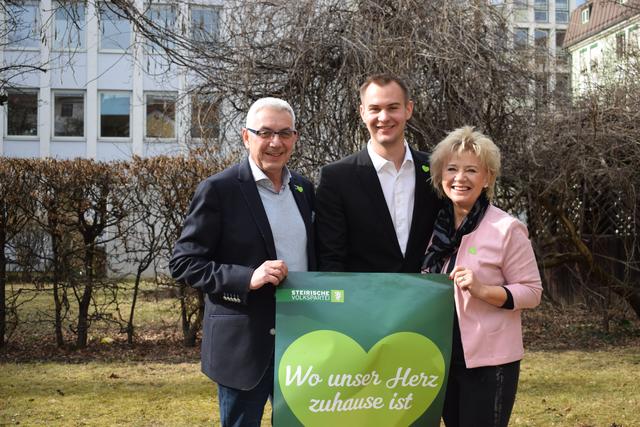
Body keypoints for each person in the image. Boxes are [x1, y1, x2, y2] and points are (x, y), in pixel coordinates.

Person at [169, 98, 315, 427]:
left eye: (284, 133)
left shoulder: (305, 189)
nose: (275, 142)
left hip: (302, 340)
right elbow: (184, 262)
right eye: (265, 132)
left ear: (295, 137)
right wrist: (248, 277)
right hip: (245, 345)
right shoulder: (218, 190)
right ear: (246, 136)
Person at [422, 126, 542, 427]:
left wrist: (483, 289)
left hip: (490, 362)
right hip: (442, 355)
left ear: (487, 177)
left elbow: (532, 291)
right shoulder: (433, 228)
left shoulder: (506, 228)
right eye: (451, 169)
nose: (460, 178)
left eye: (471, 170)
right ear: (440, 176)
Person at [316, 74, 441, 272]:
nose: (384, 117)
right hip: (364, 300)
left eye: (393, 107)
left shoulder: (436, 169)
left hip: (428, 297)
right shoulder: (336, 178)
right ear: (362, 112)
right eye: (375, 109)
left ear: (408, 109)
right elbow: (331, 259)